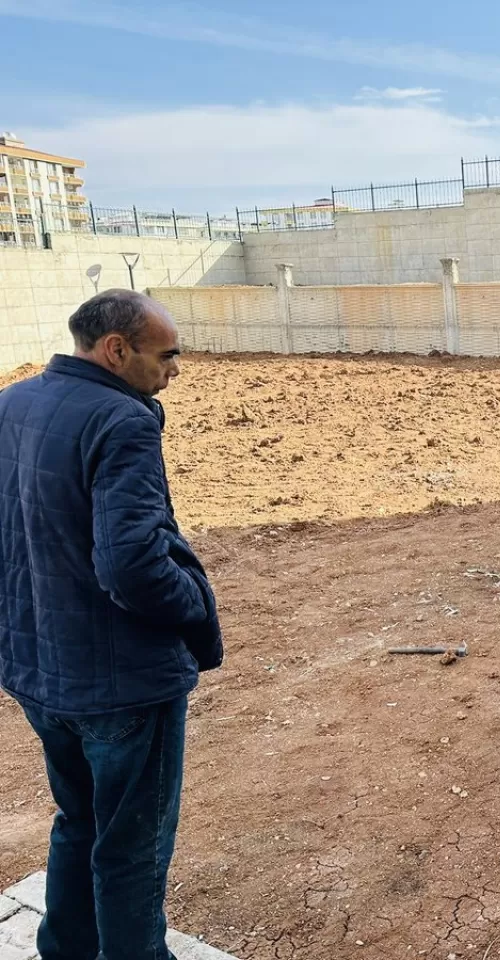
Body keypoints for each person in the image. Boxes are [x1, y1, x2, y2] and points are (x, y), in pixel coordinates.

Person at [0, 289, 222, 960]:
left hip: (40, 672)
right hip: (120, 683)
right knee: (131, 851)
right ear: (116, 350)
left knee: (80, 820)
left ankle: (64, 949)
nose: (175, 369)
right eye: (167, 354)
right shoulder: (122, 420)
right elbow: (132, 566)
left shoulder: (12, 403)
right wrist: (195, 604)